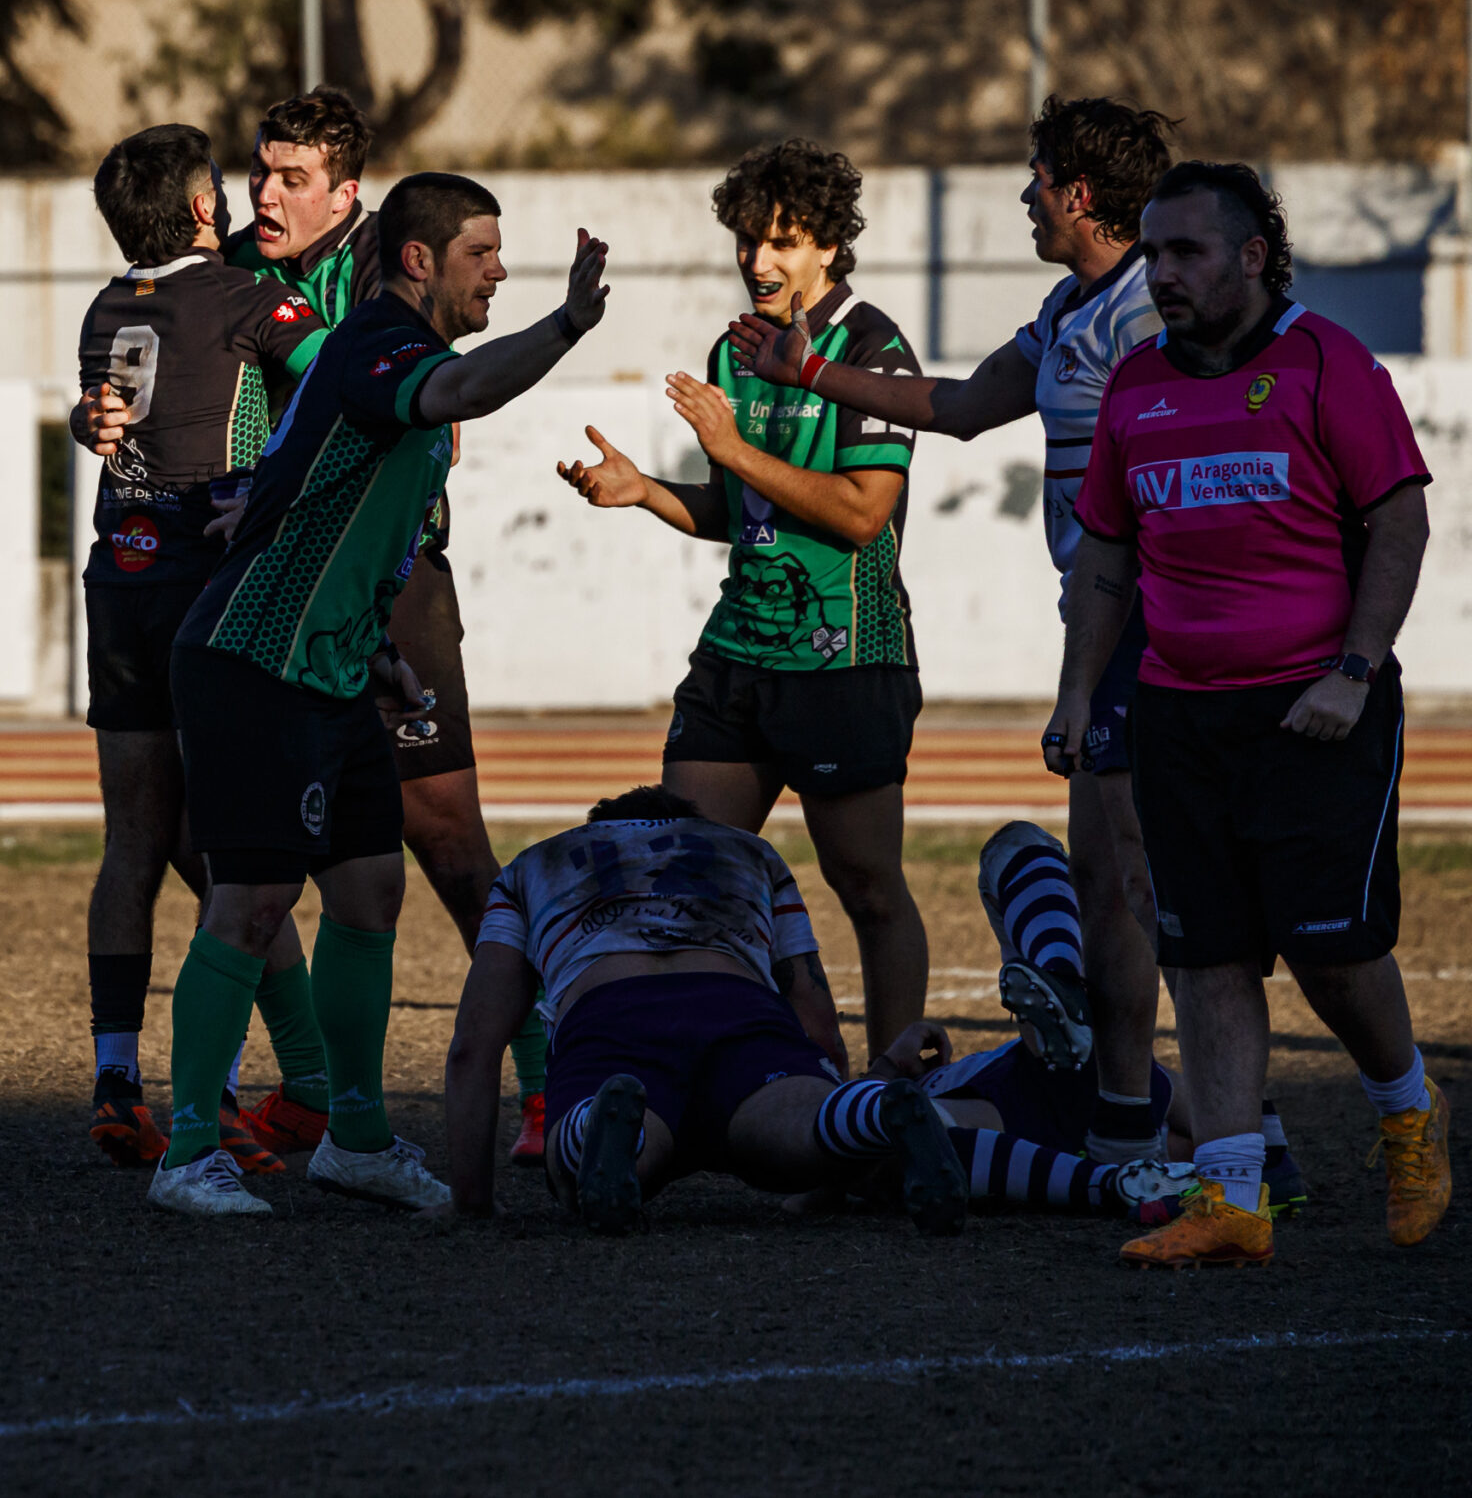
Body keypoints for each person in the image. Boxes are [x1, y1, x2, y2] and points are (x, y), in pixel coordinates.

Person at [721, 97, 1178, 1166]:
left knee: (1143, 890)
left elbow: (1160, 493)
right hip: (1103, 621)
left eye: (1033, 177)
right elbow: (967, 404)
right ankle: (1138, 1118)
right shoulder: (1072, 308)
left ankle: (1200, 1126)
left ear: (1074, 193)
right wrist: (808, 374)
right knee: (1106, 881)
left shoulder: (1152, 313)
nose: (1021, 196)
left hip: (1158, 625)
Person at [150, 173, 608, 1217]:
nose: (497, 270)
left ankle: (353, 1136)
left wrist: (377, 652)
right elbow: (457, 395)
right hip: (251, 663)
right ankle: (184, 1154)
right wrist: (569, 323)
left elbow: (344, 514)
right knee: (253, 902)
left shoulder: (388, 353)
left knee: (368, 894)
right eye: (480, 252)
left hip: (331, 671)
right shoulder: (377, 346)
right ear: (418, 260)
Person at [1049, 161, 1450, 1266]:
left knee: (1329, 954)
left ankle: (1409, 1112)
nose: (1161, 274)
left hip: (1315, 709)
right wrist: (1080, 696)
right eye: (1152, 254)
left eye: (1185, 253)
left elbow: (1399, 529)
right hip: (1179, 711)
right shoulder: (1135, 384)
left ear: (1252, 258)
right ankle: (1233, 1198)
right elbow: (1106, 562)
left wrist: (1354, 672)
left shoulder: (1331, 365)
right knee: (1205, 953)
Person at [222, 87, 553, 1165]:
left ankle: (553, 1084)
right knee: (240, 853)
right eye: (261, 172)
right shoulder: (230, 267)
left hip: (384, 583)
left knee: (449, 845)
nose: (265, 194)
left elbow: (436, 415)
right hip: (265, 584)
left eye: (291, 179)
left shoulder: (389, 270)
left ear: (347, 196)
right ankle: (312, 1094)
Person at [555, 139, 932, 1054]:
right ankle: (762, 1078)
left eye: (784, 242)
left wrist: (732, 452)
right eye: (748, 241)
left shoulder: (874, 348)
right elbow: (739, 509)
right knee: (684, 874)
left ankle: (896, 1096)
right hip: (738, 653)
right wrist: (646, 490)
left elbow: (861, 514)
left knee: (868, 885)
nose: (759, 262)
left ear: (829, 248)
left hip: (844, 658)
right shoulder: (736, 353)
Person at [69, 124, 334, 1173]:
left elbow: (117, 412)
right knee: (237, 849)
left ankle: (113, 1079)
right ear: (198, 210)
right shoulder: (238, 296)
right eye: (217, 186)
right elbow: (336, 378)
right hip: (206, 589)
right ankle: (220, 1096)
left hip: (118, 584)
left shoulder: (106, 304)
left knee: (135, 840)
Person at [440, 786, 967, 1237]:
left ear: (599, 830)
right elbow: (818, 1023)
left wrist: (471, 1202)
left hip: (612, 1018)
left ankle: (597, 1128)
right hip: (739, 1013)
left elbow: (473, 1045)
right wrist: (823, 1189)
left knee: (578, 1162)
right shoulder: (751, 853)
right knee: (803, 1121)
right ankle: (873, 1111)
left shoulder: (533, 864)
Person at [865, 822, 1200, 1220]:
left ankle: (1107, 1180)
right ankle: (1059, 972)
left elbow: (850, 1134)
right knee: (1016, 845)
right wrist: (887, 1067)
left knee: (895, 1140)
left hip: (1012, 1125)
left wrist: (886, 1067)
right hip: (1073, 1084)